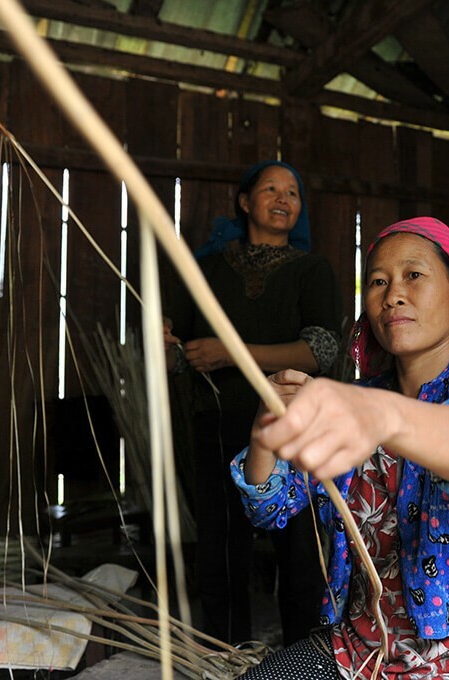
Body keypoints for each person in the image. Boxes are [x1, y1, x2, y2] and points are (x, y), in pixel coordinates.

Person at [230, 217, 449, 679]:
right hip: (362, 651)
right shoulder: (363, 399)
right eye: (378, 282)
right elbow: (270, 507)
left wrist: (378, 413)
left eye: (414, 275)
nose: (392, 295)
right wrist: (266, 432)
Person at [164, 160, 343, 645]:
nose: (284, 198)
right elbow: (177, 355)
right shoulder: (208, 270)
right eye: (271, 189)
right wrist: (167, 346)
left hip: (292, 426)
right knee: (220, 554)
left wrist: (232, 353)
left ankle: (304, 662)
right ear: (245, 202)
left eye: (293, 191)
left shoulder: (312, 270)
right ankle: (225, 659)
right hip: (218, 422)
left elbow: (321, 350)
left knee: (301, 552)